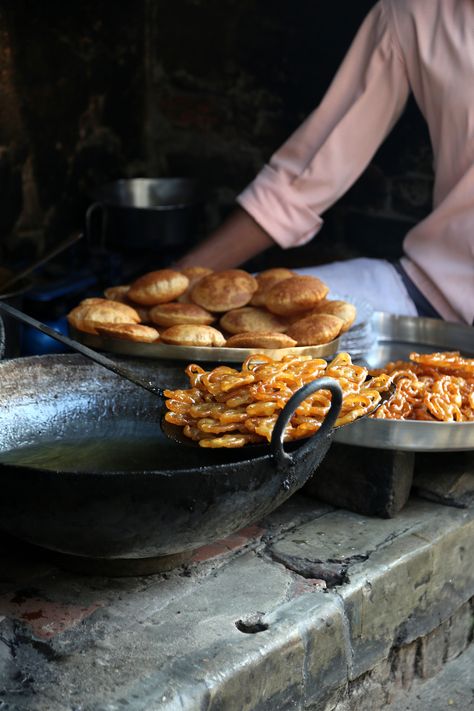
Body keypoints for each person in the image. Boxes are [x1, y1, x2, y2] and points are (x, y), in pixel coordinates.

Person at [174, 0, 474, 326]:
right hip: (432, 293)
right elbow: (308, 173)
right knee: (224, 328)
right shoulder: (416, 11)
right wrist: (182, 281)